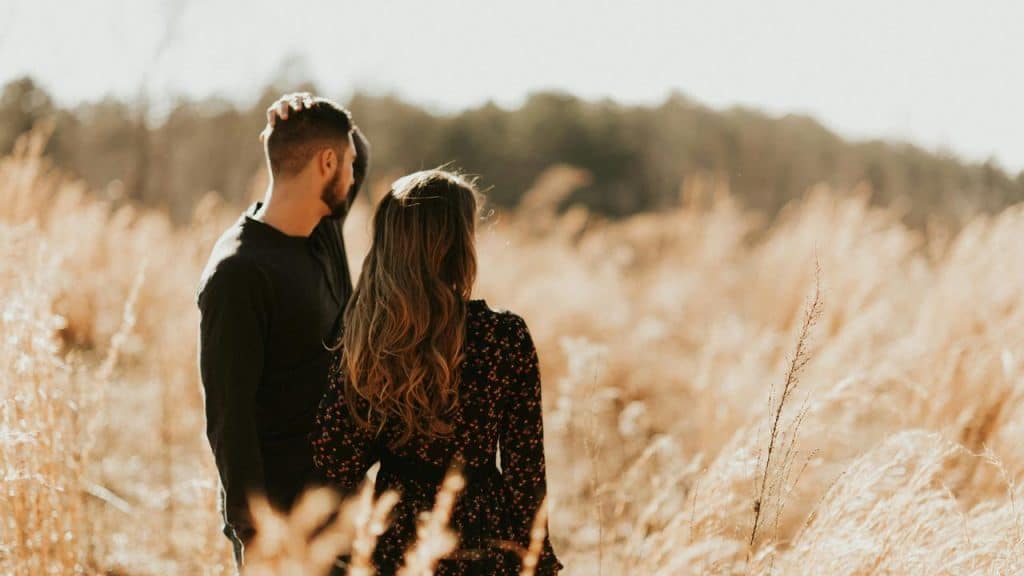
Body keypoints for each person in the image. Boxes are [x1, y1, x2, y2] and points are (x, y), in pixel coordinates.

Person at [311, 169, 563, 575]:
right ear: (458, 245)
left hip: (396, 539)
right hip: (484, 540)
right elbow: (525, 472)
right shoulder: (504, 336)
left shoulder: (367, 339)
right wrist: (539, 560)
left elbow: (336, 459)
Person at [196, 92, 369, 570]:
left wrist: (304, 109)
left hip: (341, 503)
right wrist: (257, 534)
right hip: (282, 521)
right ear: (327, 163)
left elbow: (357, 151)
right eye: (349, 165)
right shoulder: (239, 273)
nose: (355, 175)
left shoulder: (321, 231)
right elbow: (229, 417)